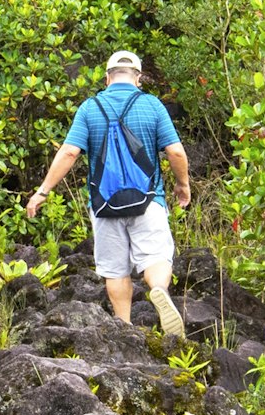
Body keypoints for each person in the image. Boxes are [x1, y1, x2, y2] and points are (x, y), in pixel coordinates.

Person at [26, 48, 192, 338]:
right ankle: (157, 290)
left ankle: (125, 330)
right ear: (138, 78)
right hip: (148, 200)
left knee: (115, 271)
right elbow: (175, 152)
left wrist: (42, 192)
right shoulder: (152, 105)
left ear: (107, 78)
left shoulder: (90, 108)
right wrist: (183, 184)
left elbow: (69, 152)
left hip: (104, 204)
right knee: (155, 258)